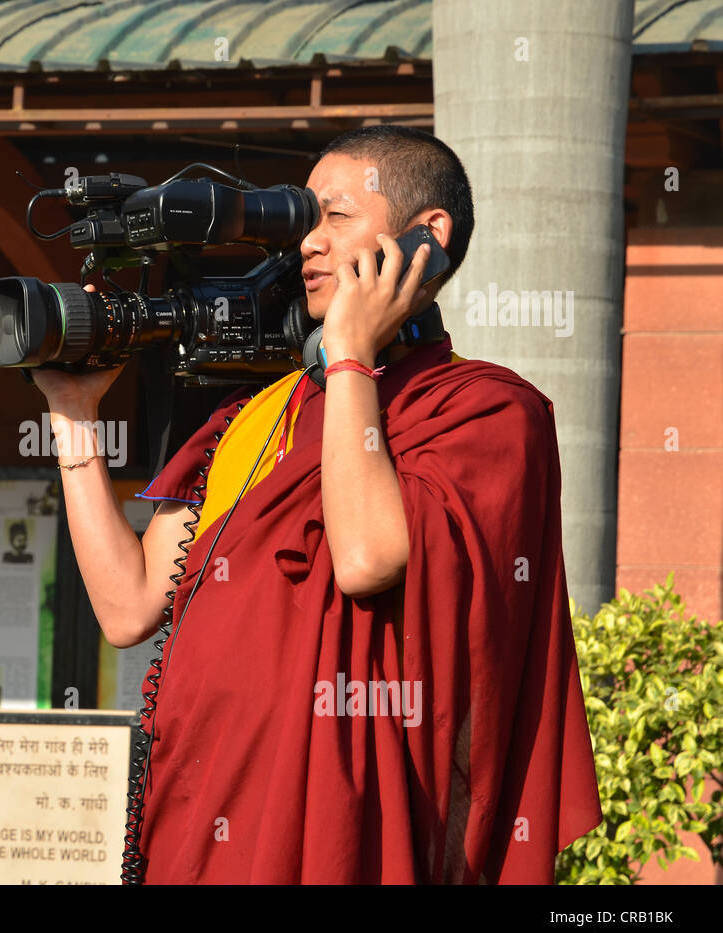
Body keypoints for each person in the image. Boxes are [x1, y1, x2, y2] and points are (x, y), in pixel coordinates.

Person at [31, 125, 601, 884]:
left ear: (426, 238)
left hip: (348, 837)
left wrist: (351, 356)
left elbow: (367, 559)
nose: (306, 244)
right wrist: (74, 415)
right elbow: (128, 605)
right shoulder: (263, 414)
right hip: (205, 821)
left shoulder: (489, 410)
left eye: (332, 217)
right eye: (302, 223)